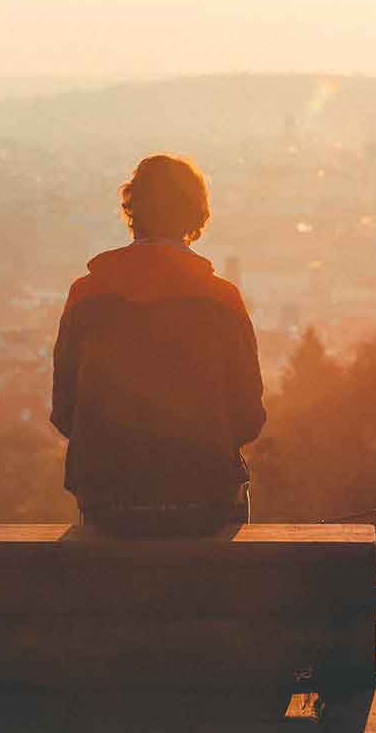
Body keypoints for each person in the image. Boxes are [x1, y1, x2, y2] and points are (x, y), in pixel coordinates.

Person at [50, 154, 266, 535]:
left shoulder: (86, 295)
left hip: (109, 501)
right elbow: (248, 416)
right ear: (196, 216)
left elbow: (65, 409)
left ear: (133, 212)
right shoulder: (222, 300)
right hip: (204, 499)